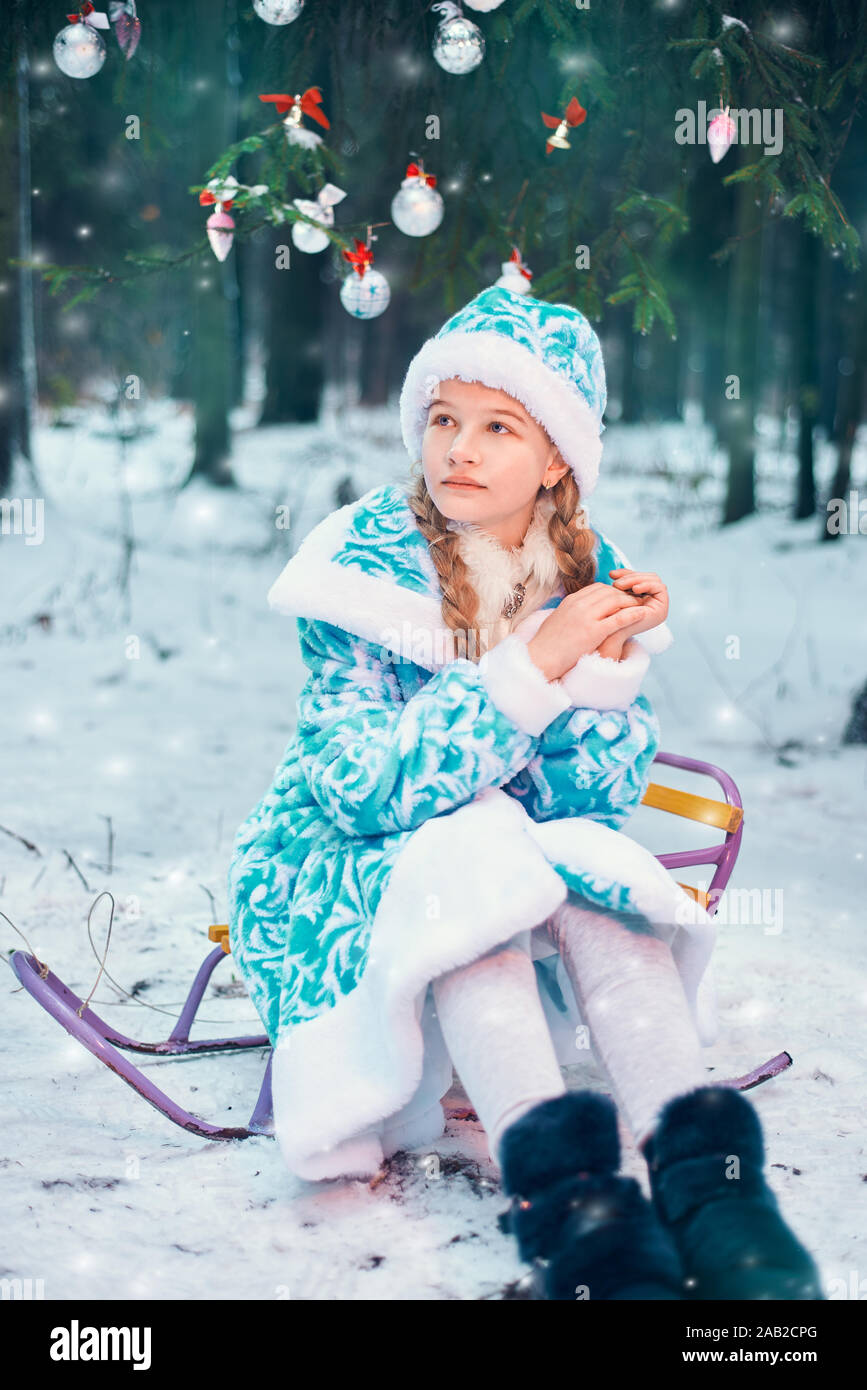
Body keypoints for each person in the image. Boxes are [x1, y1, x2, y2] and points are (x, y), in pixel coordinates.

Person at [227, 286, 822, 1301]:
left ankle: (716, 1190)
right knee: (471, 879)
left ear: (555, 459)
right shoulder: (359, 568)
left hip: (499, 838)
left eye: (499, 426)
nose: (459, 448)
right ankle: (576, 1207)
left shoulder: (581, 570)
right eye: (444, 420)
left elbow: (586, 802)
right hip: (339, 847)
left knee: (600, 875)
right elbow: (369, 784)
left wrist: (599, 660)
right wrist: (524, 670)